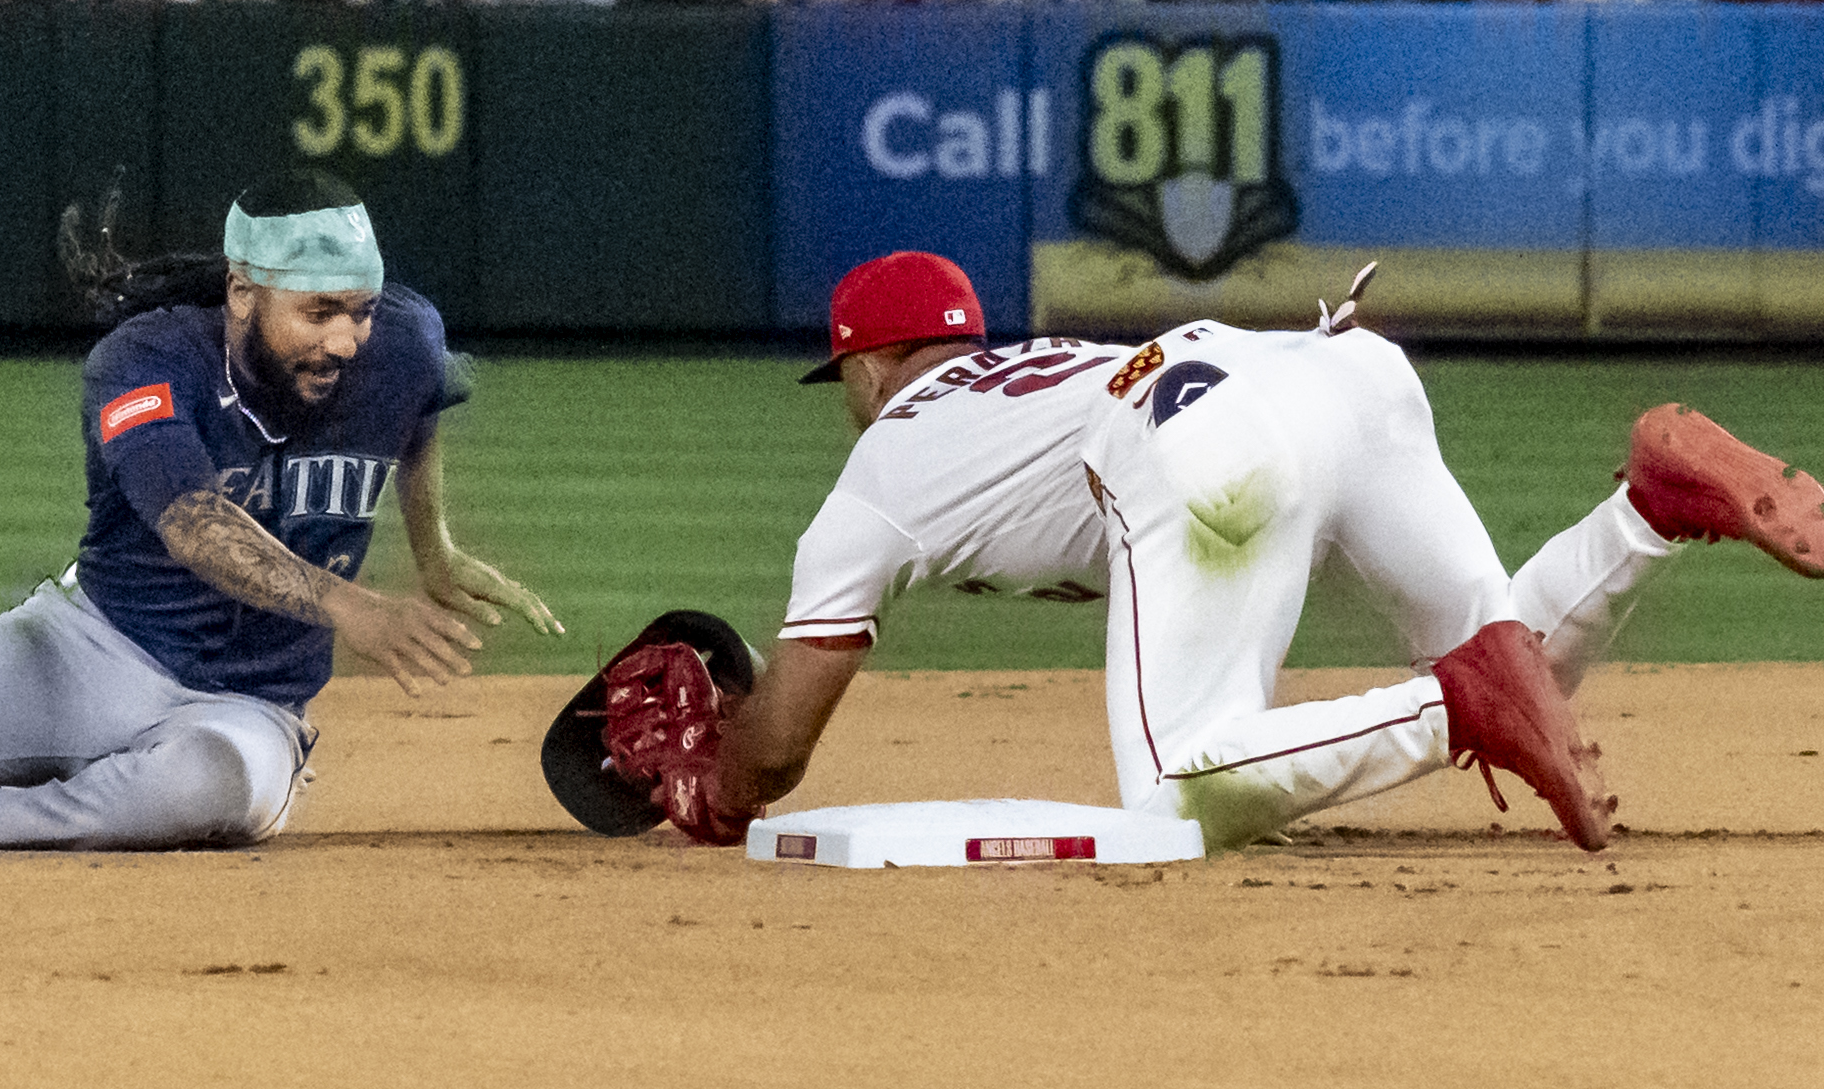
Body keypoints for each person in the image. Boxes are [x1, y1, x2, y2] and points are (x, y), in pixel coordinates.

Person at [603, 251, 1824, 853]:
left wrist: (712, 781)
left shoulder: (873, 479)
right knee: (1515, 661)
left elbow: (783, 747)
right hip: (1338, 369)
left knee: (1183, 788)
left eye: (846, 378)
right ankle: (1648, 512)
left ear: (867, 366)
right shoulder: (1029, 371)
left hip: (1200, 438)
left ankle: (1452, 711)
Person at [0, 173, 561, 851]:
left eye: (358, 311)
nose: (346, 338)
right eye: (319, 311)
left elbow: (419, 409)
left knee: (212, 789)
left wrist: (433, 547)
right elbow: (193, 522)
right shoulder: (143, 360)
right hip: (85, 650)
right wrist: (350, 605)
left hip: (246, 705)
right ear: (243, 291)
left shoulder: (400, 342)